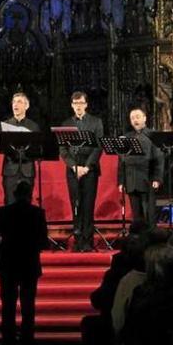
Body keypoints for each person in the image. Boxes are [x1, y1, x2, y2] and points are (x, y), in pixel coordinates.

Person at [0, 180, 49, 345]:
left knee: (8, 305)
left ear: (14, 195)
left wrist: (1, 250)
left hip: (7, 263)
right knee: (28, 305)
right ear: (31, 196)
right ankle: (27, 340)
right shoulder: (38, 213)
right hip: (29, 264)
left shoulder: (3, 212)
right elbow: (43, 242)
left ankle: (8, 340)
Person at [59, 91, 104, 252]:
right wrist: (74, 166)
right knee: (76, 204)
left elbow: (98, 147)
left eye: (81, 103)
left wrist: (86, 167)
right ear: (72, 105)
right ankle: (78, 239)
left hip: (90, 169)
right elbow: (63, 150)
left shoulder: (96, 122)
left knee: (88, 204)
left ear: (86, 104)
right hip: (73, 169)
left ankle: (88, 240)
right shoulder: (65, 124)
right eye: (75, 103)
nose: (78, 106)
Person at [117, 107, 163, 229]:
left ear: (144, 118)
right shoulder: (127, 137)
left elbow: (158, 159)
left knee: (149, 214)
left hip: (147, 179)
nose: (135, 120)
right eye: (132, 118)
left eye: (137, 117)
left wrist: (157, 179)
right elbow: (121, 162)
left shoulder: (152, 136)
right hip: (131, 180)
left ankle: (151, 241)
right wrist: (121, 181)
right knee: (136, 215)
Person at [0, 93, 40, 205]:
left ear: (26, 106)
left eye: (19, 102)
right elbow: (2, 147)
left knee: (26, 203)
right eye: (14, 102)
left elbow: (36, 149)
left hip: (27, 170)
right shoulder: (5, 125)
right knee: (9, 202)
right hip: (10, 170)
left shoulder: (33, 126)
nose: (15, 105)